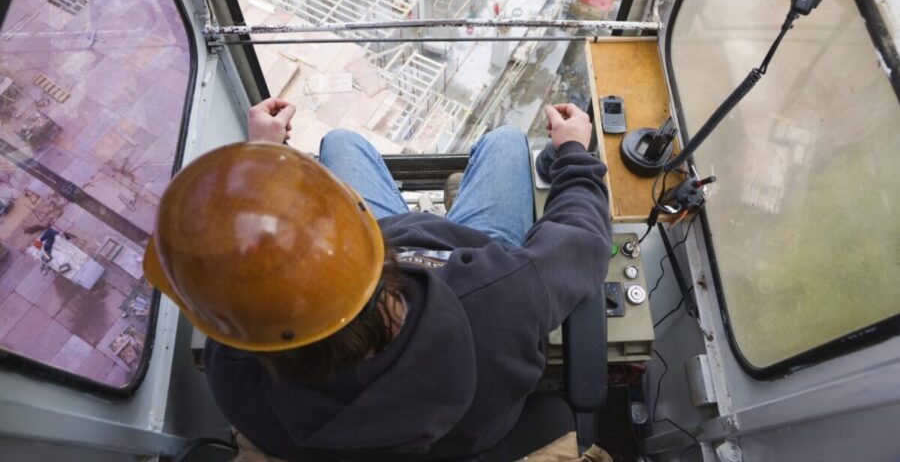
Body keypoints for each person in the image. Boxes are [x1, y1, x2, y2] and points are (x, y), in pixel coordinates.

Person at [144, 97, 611, 461]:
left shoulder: (237, 375)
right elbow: (583, 236)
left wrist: (262, 162)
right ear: (357, 224)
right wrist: (572, 150)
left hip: (384, 246)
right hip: (465, 243)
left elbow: (246, 288)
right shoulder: (498, 301)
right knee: (506, 141)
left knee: (343, 142)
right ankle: (460, 188)